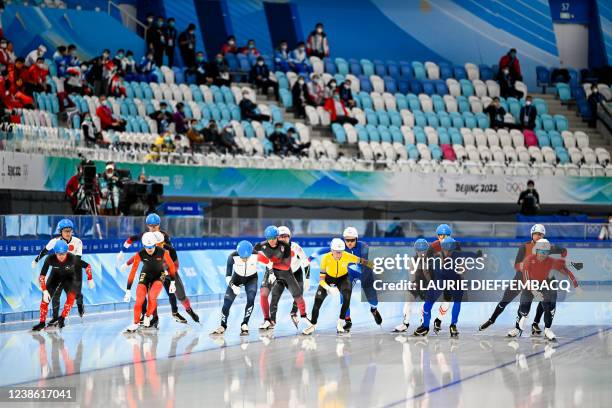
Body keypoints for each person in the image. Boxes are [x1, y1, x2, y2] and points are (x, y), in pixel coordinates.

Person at [479, 224, 567, 334]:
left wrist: (563, 251)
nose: (538, 236)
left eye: (541, 234)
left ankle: (532, 324)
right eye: (536, 234)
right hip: (521, 278)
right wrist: (524, 266)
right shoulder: (524, 247)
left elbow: (560, 250)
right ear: (532, 235)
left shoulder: (546, 246)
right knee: (506, 299)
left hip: (537, 280)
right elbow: (516, 264)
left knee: (543, 299)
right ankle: (491, 320)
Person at [117, 213, 199, 326]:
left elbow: (173, 260)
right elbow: (134, 246)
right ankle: (153, 317)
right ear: (147, 226)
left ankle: (187, 310)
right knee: (149, 294)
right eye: (150, 226)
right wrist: (123, 254)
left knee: (179, 295)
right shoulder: (146, 237)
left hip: (166, 268)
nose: (153, 228)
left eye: (155, 226)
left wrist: (167, 271)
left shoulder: (164, 239)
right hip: (153, 270)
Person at [508, 238, 579, 341]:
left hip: (545, 284)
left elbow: (567, 271)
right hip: (530, 285)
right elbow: (527, 279)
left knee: (550, 305)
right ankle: (518, 327)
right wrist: (534, 291)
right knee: (524, 306)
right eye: (541, 252)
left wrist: (576, 286)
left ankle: (547, 329)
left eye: (546, 252)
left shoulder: (551, 261)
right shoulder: (528, 260)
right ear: (536, 251)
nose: (543, 255)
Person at [302, 238, 372, 335]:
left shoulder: (347, 256)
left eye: (341, 252)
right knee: (317, 302)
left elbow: (361, 260)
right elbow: (321, 280)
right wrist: (328, 288)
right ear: (331, 250)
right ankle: (313, 325)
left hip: (343, 279)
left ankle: (340, 322)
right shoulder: (325, 258)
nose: (339, 255)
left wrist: (373, 265)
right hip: (328, 280)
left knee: (347, 297)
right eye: (337, 252)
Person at [414, 237, 480, 337]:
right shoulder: (437, 256)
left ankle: (451, 325)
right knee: (428, 304)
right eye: (446, 249)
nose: (448, 252)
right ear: (442, 248)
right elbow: (426, 270)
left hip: (452, 280)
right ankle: (426, 326)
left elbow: (468, 258)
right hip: (442, 280)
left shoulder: (452, 255)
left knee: (455, 302)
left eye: (450, 250)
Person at [31, 218, 91, 324]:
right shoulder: (54, 242)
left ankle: (80, 304)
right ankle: (55, 317)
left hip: (72, 270)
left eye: (70, 230)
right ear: (60, 232)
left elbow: (77, 261)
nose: (68, 233)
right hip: (58, 270)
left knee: (76, 294)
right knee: (55, 294)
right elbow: (45, 251)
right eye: (65, 231)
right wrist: (36, 260)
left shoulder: (78, 242)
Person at [255, 226, 308, 330]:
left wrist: (308, 278)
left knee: (298, 292)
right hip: (277, 273)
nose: (283, 239)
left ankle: (294, 312)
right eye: (280, 236)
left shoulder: (296, 247)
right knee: (275, 295)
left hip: (295, 272)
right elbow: (259, 253)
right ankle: (271, 320)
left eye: (285, 236)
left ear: (290, 237)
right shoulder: (271, 245)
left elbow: (306, 263)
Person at [123, 232, 177, 332]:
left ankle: (148, 315)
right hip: (146, 275)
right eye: (147, 247)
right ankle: (135, 323)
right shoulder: (140, 254)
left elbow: (172, 266)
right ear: (144, 246)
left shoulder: (163, 252)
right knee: (139, 298)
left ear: (155, 244)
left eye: (152, 246)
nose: (150, 249)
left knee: (152, 296)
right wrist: (128, 290)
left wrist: (173, 282)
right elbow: (133, 272)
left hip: (159, 275)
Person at [211, 241, 259, 335]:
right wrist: (233, 286)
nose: (244, 259)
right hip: (237, 279)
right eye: (242, 257)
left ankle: (245, 323)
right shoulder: (232, 256)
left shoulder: (256, 254)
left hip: (251, 279)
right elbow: (227, 276)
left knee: (251, 299)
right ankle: (223, 325)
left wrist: (271, 272)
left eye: (247, 257)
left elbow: (269, 261)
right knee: (226, 302)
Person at [341, 227, 381, 331]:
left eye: (352, 240)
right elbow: (326, 252)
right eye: (347, 240)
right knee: (344, 295)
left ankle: (374, 310)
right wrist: (311, 257)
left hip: (365, 273)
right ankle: (347, 320)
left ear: (356, 239)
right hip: (350, 274)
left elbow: (366, 262)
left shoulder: (363, 246)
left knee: (373, 301)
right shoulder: (340, 246)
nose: (349, 243)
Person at [393, 239, 431, 332]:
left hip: (428, 285)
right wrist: (414, 286)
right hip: (417, 284)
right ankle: (405, 323)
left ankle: (423, 323)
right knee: (408, 300)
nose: (421, 253)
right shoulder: (412, 260)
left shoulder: (432, 260)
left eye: (423, 250)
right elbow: (412, 277)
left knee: (425, 305)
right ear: (416, 251)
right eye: (419, 250)